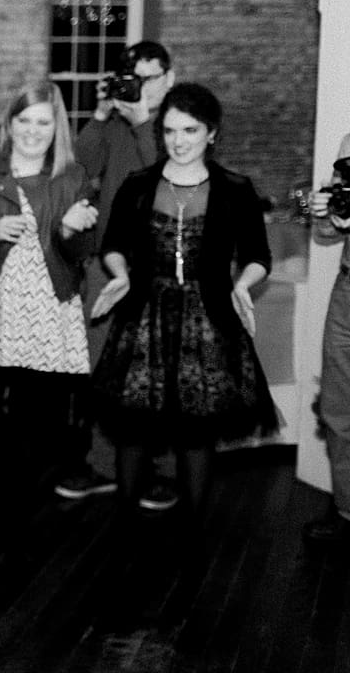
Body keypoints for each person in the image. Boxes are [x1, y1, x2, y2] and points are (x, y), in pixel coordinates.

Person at [90, 83, 278, 533]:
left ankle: (195, 530)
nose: (179, 140)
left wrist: (245, 284)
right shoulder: (138, 185)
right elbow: (112, 245)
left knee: (197, 431)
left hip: (207, 319)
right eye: (170, 130)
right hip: (144, 317)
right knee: (134, 428)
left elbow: (258, 255)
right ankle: (126, 524)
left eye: (190, 130)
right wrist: (120, 273)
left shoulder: (236, 189)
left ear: (211, 132)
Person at [0, 81, 97, 530]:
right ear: (10, 124)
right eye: (24, 120)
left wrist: (69, 230)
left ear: (56, 126)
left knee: (38, 422)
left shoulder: (72, 176)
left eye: (43, 121)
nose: (32, 130)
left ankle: (21, 513)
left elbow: (80, 252)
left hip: (45, 308)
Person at [55, 40, 179, 508]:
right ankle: (105, 464)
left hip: (163, 267)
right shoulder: (117, 121)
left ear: (168, 75)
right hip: (107, 261)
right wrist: (104, 114)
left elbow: (167, 176)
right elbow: (78, 165)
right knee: (104, 367)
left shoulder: (181, 120)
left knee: (162, 370)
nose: (140, 86)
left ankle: (165, 470)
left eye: (150, 77)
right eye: (134, 77)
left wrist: (143, 120)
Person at [305, 133, 350, 544]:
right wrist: (327, 212)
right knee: (338, 408)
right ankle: (346, 510)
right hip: (348, 292)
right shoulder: (349, 144)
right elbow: (327, 235)